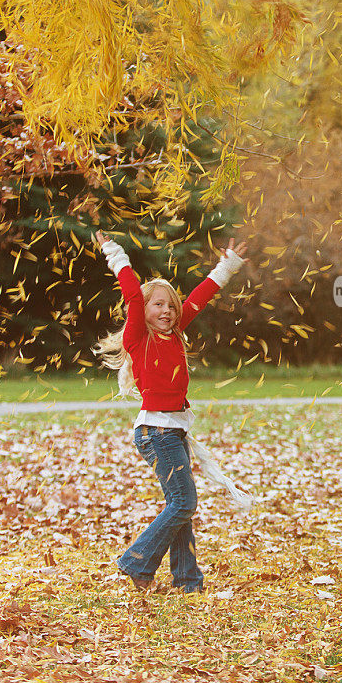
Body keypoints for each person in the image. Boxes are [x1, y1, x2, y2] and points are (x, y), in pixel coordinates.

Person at [93, 230, 250, 593]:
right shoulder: (138, 336)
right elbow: (132, 294)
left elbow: (200, 297)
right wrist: (115, 254)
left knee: (181, 505)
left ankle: (187, 580)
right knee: (183, 501)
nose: (166, 311)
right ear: (144, 312)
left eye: (170, 305)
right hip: (156, 432)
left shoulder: (176, 333)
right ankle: (137, 560)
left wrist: (227, 266)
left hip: (173, 430)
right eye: (157, 305)